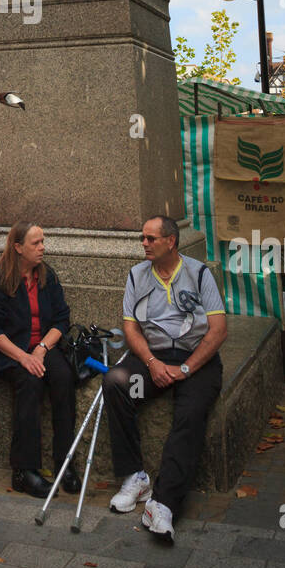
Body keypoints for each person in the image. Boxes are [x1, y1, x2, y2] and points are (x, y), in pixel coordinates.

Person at [103, 216, 227, 542]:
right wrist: (152, 363)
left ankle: (164, 503)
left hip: (196, 360)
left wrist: (186, 369)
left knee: (190, 413)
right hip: (153, 358)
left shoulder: (199, 274)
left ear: (170, 241)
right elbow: (130, 328)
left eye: (150, 238)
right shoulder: (137, 275)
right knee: (116, 382)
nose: (143, 244)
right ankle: (135, 477)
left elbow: (218, 330)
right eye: (142, 238)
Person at [0, 222, 78, 499]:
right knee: (30, 382)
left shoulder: (48, 276)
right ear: (18, 247)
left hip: (44, 348)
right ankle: (25, 470)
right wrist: (24, 356)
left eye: (42, 242)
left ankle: (65, 463)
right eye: (36, 243)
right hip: (11, 352)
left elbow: (62, 318)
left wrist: (42, 349)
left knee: (63, 378)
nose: (42, 248)